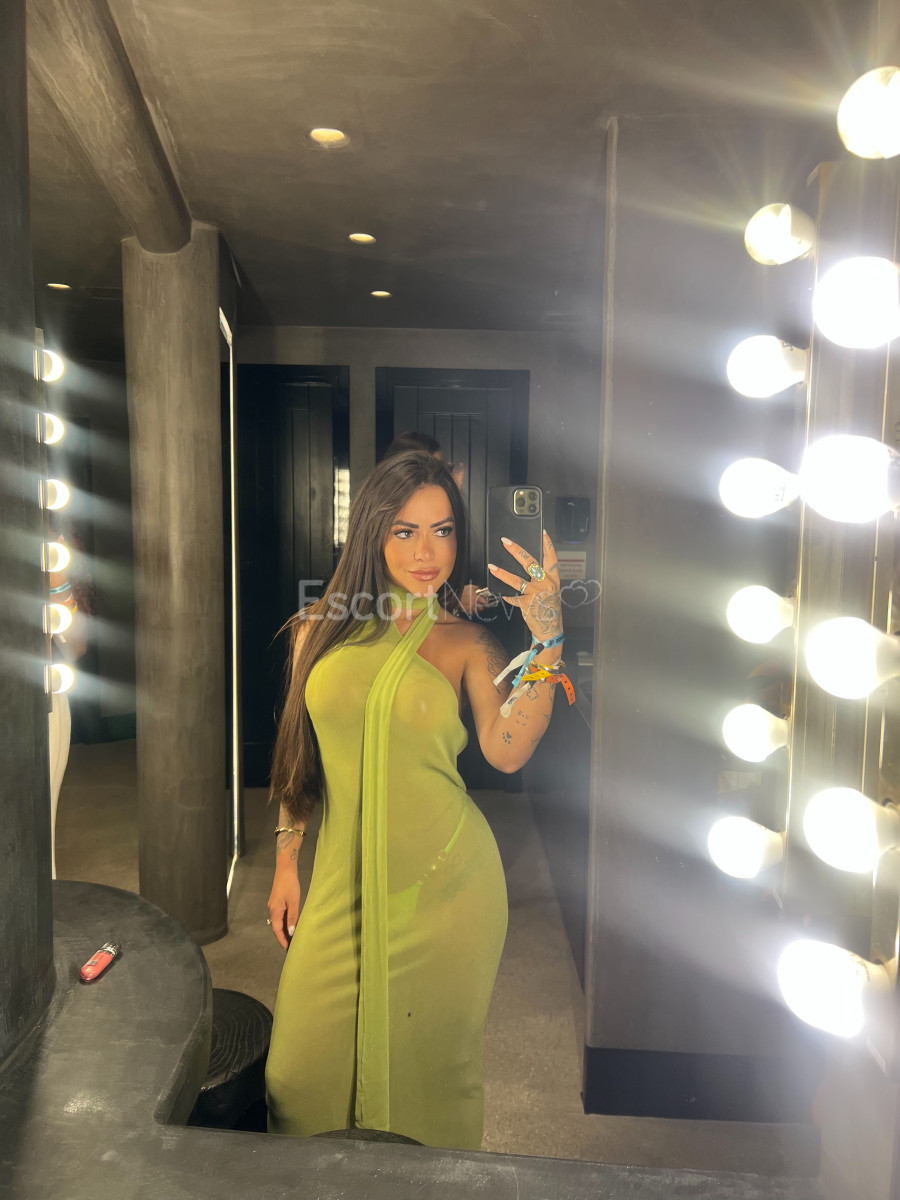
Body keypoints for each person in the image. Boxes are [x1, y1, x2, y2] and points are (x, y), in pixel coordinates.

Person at [264, 449, 566, 1149]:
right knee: (295, 1082)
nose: (427, 553)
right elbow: (300, 756)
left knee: (431, 1083)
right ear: (372, 531)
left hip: (447, 891)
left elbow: (506, 747)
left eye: (442, 531)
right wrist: (286, 860)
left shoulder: (466, 642)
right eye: (405, 531)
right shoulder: (318, 628)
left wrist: (548, 641)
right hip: (340, 887)